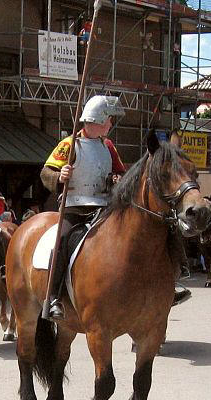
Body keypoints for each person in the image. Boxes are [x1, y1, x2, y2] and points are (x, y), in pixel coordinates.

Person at [40, 95, 126, 320]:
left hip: (105, 206)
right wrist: (60, 175)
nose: (110, 125)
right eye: (108, 120)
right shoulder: (69, 145)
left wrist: (117, 179)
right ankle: (54, 298)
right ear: (97, 120)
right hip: (75, 207)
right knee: (62, 241)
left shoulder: (108, 146)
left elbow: (121, 172)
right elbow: (45, 172)